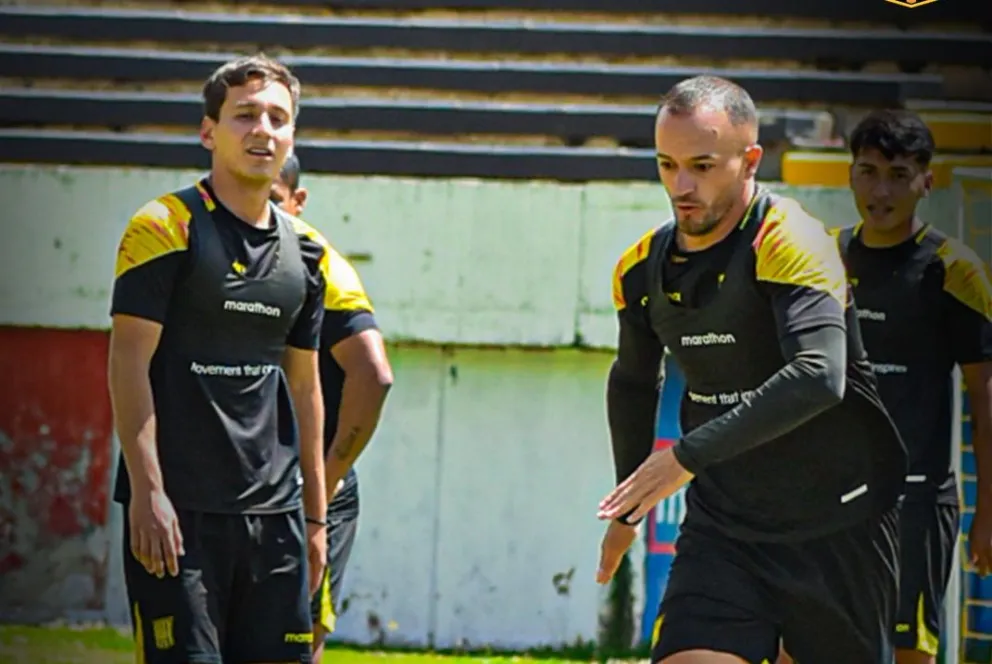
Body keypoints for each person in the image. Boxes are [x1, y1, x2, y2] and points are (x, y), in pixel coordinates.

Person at [595, 75, 908, 664]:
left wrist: (684, 457)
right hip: (725, 526)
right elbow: (634, 383)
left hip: (837, 522)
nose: (681, 186)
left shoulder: (793, 240)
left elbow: (819, 374)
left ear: (750, 160)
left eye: (703, 165)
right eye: (667, 164)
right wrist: (628, 507)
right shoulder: (639, 270)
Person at [107, 54, 332, 664]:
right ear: (209, 131)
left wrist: (316, 520)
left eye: (278, 118)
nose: (263, 129)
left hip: (277, 517)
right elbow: (127, 363)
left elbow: (307, 390)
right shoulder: (162, 227)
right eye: (245, 115)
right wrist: (149, 492)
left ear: (291, 137)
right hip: (179, 516)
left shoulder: (309, 254)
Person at [830, 109, 992, 664]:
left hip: (916, 503)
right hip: (832, 498)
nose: (881, 190)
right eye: (868, 171)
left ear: (927, 180)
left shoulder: (954, 270)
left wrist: (987, 512)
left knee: (908, 654)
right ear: (849, 175)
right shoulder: (824, 260)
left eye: (899, 174)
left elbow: (984, 400)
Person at [270, 154, 394, 662]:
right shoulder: (215, 253)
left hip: (309, 486)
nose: (262, 211)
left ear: (299, 202)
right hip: (243, 479)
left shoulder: (317, 263)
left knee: (295, 641)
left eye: (275, 200)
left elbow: (375, 375)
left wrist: (326, 475)